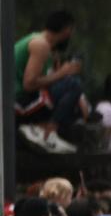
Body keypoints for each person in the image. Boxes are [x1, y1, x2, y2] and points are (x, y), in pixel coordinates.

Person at [15, 10, 85, 152]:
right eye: (71, 30)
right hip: (18, 101)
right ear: (66, 29)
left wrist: (58, 72)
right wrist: (62, 73)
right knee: (73, 84)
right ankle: (47, 133)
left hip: (24, 97)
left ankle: (44, 127)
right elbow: (29, 84)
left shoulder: (40, 42)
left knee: (71, 92)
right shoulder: (41, 45)